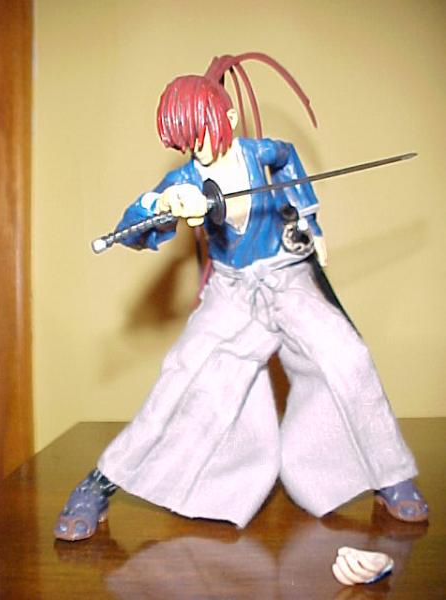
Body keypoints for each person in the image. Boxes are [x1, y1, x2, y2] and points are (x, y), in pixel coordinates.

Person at [54, 53, 428, 542]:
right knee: (181, 376)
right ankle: (102, 482)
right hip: (232, 292)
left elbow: (289, 159)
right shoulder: (185, 181)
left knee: (347, 356)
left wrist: (310, 224)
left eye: (203, 135)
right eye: (187, 143)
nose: (199, 150)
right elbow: (136, 226)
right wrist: (162, 206)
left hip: (287, 277)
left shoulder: (260, 152)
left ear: (227, 117)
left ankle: (389, 472)